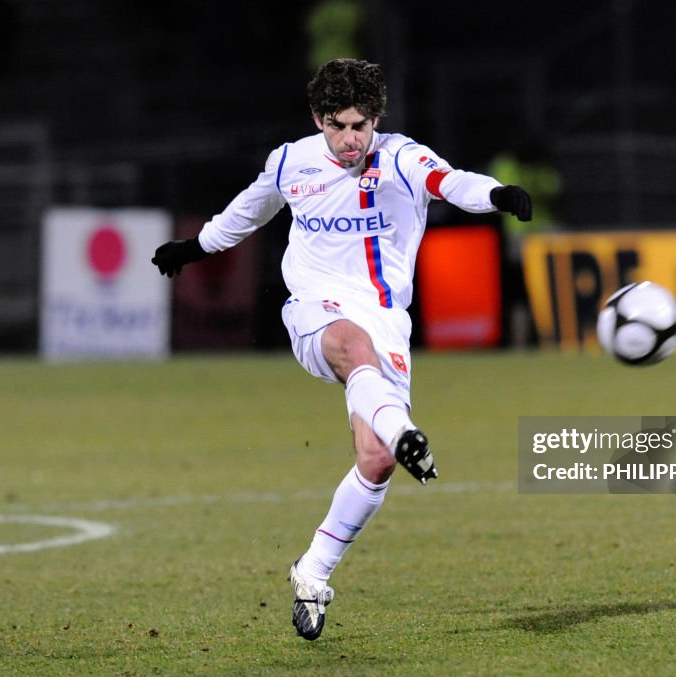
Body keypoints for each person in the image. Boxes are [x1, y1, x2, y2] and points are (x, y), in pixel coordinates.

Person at [151, 58, 531, 641]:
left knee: (375, 462)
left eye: (361, 125)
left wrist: (498, 194)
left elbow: (450, 182)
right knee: (353, 350)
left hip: (385, 321)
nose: (351, 139)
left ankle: (312, 572)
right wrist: (195, 247)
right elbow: (249, 210)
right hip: (316, 311)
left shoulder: (402, 157)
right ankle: (403, 429)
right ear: (317, 119)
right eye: (338, 126)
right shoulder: (290, 161)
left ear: (377, 119)